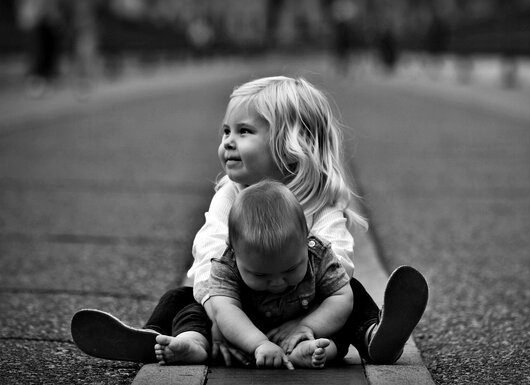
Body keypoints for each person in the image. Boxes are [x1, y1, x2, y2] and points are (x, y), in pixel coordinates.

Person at [71, 76, 428, 366]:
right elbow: (208, 253)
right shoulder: (231, 193)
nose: (228, 142)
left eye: (244, 132)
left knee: (351, 296)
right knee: (180, 300)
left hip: (305, 310)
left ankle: (372, 339)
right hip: (234, 306)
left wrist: (305, 325)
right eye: (226, 131)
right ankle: (176, 340)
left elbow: (339, 265)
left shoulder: (319, 200)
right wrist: (222, 317)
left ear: (292, 144)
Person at [152, 180, 353, 369]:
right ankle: (192, 343)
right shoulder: (226, 265)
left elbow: (341, 297)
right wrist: (259, 344)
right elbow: (225, 310)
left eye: (290, 270)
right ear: (233, 252)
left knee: (345, 319)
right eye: (261, 275)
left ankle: (311, 351)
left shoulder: (318, 254)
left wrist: (307, 326)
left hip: (301, 324)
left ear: (306, 238)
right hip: (242, 333)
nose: (277, 283)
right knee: (187, 307)